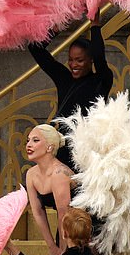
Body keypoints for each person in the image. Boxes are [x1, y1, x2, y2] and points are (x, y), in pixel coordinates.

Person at [28, 11, 114, 168]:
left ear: (91, 60)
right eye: (71, 60)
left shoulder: (101, 80)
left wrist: (95, 25)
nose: (74, 65)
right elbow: (35, 48)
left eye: (80, 60)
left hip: (88, 154)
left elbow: (100, 58)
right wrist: (58, 26)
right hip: (62, 151)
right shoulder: (64, 79)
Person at [24, 125, 75, 255]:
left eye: (35, 140)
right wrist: (52, 246)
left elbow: (64, 213)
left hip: (81, 223)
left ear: (50, 147)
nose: (28, 145)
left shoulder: (59, 173)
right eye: (28, 140)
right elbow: (38, 211)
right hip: (66, 221)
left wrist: (63, 249)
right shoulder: (31, 174)